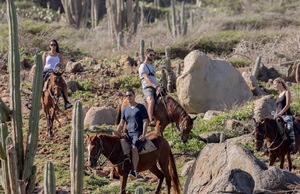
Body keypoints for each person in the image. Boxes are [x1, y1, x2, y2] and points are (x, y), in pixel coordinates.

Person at [113, 89, 149, 179]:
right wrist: (117, 132)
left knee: (134, 148)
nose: (128, 97)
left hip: (137, 133)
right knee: (116, 147)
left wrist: (144, 134)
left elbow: (145, 121)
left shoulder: (141, 107)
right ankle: (114, 171)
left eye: (130, 95)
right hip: (127, 134)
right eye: (127, 96)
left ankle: (134, 171)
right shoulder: (125, 109)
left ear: (134, 96)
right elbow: (121, 123)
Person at [42, 39, 72, 110]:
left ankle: (66, 102)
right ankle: (34, 99)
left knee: (64, 84)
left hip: (56, 72)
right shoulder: (45, 54)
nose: (53, 46)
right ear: (49, 46)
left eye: (54, 45)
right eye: (51, 44)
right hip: (47, 71)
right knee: (39, 83)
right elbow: (43, 64)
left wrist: (59, 67)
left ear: (56, 46)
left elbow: (62, 65)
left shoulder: (59, 55)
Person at [138, 48, 163, 126]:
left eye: (153, 55)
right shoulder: (143, 66)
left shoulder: (152, 67)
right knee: (151, 100)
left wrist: (159, 86)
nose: (152, 56)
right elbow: (147, 79)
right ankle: (151, 119)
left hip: (155, 86)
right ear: (145, 55)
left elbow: (154, 78)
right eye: (150, 55)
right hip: (148, 87)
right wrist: (156, 87)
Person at [273, 77, 296, 154]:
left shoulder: (287, 92)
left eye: (275, 84)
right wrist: (275, 115)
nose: (274, 86)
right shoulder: (279, 95)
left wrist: (280, 113)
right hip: (279, 116)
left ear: (280, 83)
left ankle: (293, 145)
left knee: (289, 127)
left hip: (286, 115)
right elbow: (277, 108)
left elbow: (287, 105)